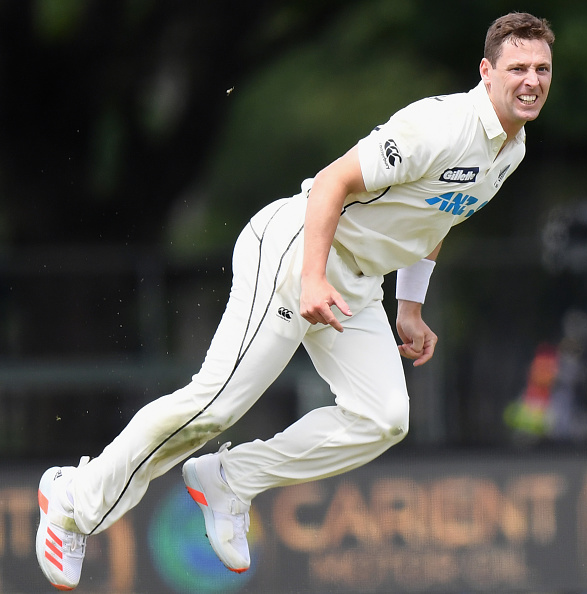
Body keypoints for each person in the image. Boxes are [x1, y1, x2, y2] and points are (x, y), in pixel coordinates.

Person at [36, 11, 554, 590]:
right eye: (517, 68)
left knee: (383, 418)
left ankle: (229, 479)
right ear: (486, 72)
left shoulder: (512, 149)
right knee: (215, 406)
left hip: (354, 280)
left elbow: (435, 218)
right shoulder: (439, 126)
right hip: (292, 250)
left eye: (541, 69)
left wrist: (409, 306)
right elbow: (332, 182)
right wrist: (311, 278)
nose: (531, 80)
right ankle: (70, 502)